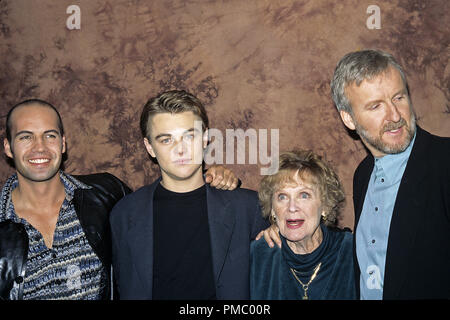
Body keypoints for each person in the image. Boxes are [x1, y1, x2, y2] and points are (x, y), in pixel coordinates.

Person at [0, 99, 237, 300]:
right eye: (26, 137)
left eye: (49, 136)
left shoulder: (105, 195)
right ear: (8, 147)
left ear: (63, 143)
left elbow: (165, 205)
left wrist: (212, 176)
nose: (39, 148)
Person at [110, 90, 269, 300]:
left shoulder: (248, 208)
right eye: (166, 140)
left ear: (204, 139)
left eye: (189, 136)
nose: (181, 150)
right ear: (150, 147)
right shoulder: (125, 214)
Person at [330, 49, 450, 299]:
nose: (395, 116)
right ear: (349, 119)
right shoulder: (363, 175)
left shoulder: (444, 161)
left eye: (399, 98)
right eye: (376, 106)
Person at [250, 150, 355, 300]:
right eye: (282, 197)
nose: (292, 207)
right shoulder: (258, 256)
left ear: (325, 205)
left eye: (304, 195)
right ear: (273, 210)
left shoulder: (352, 252)